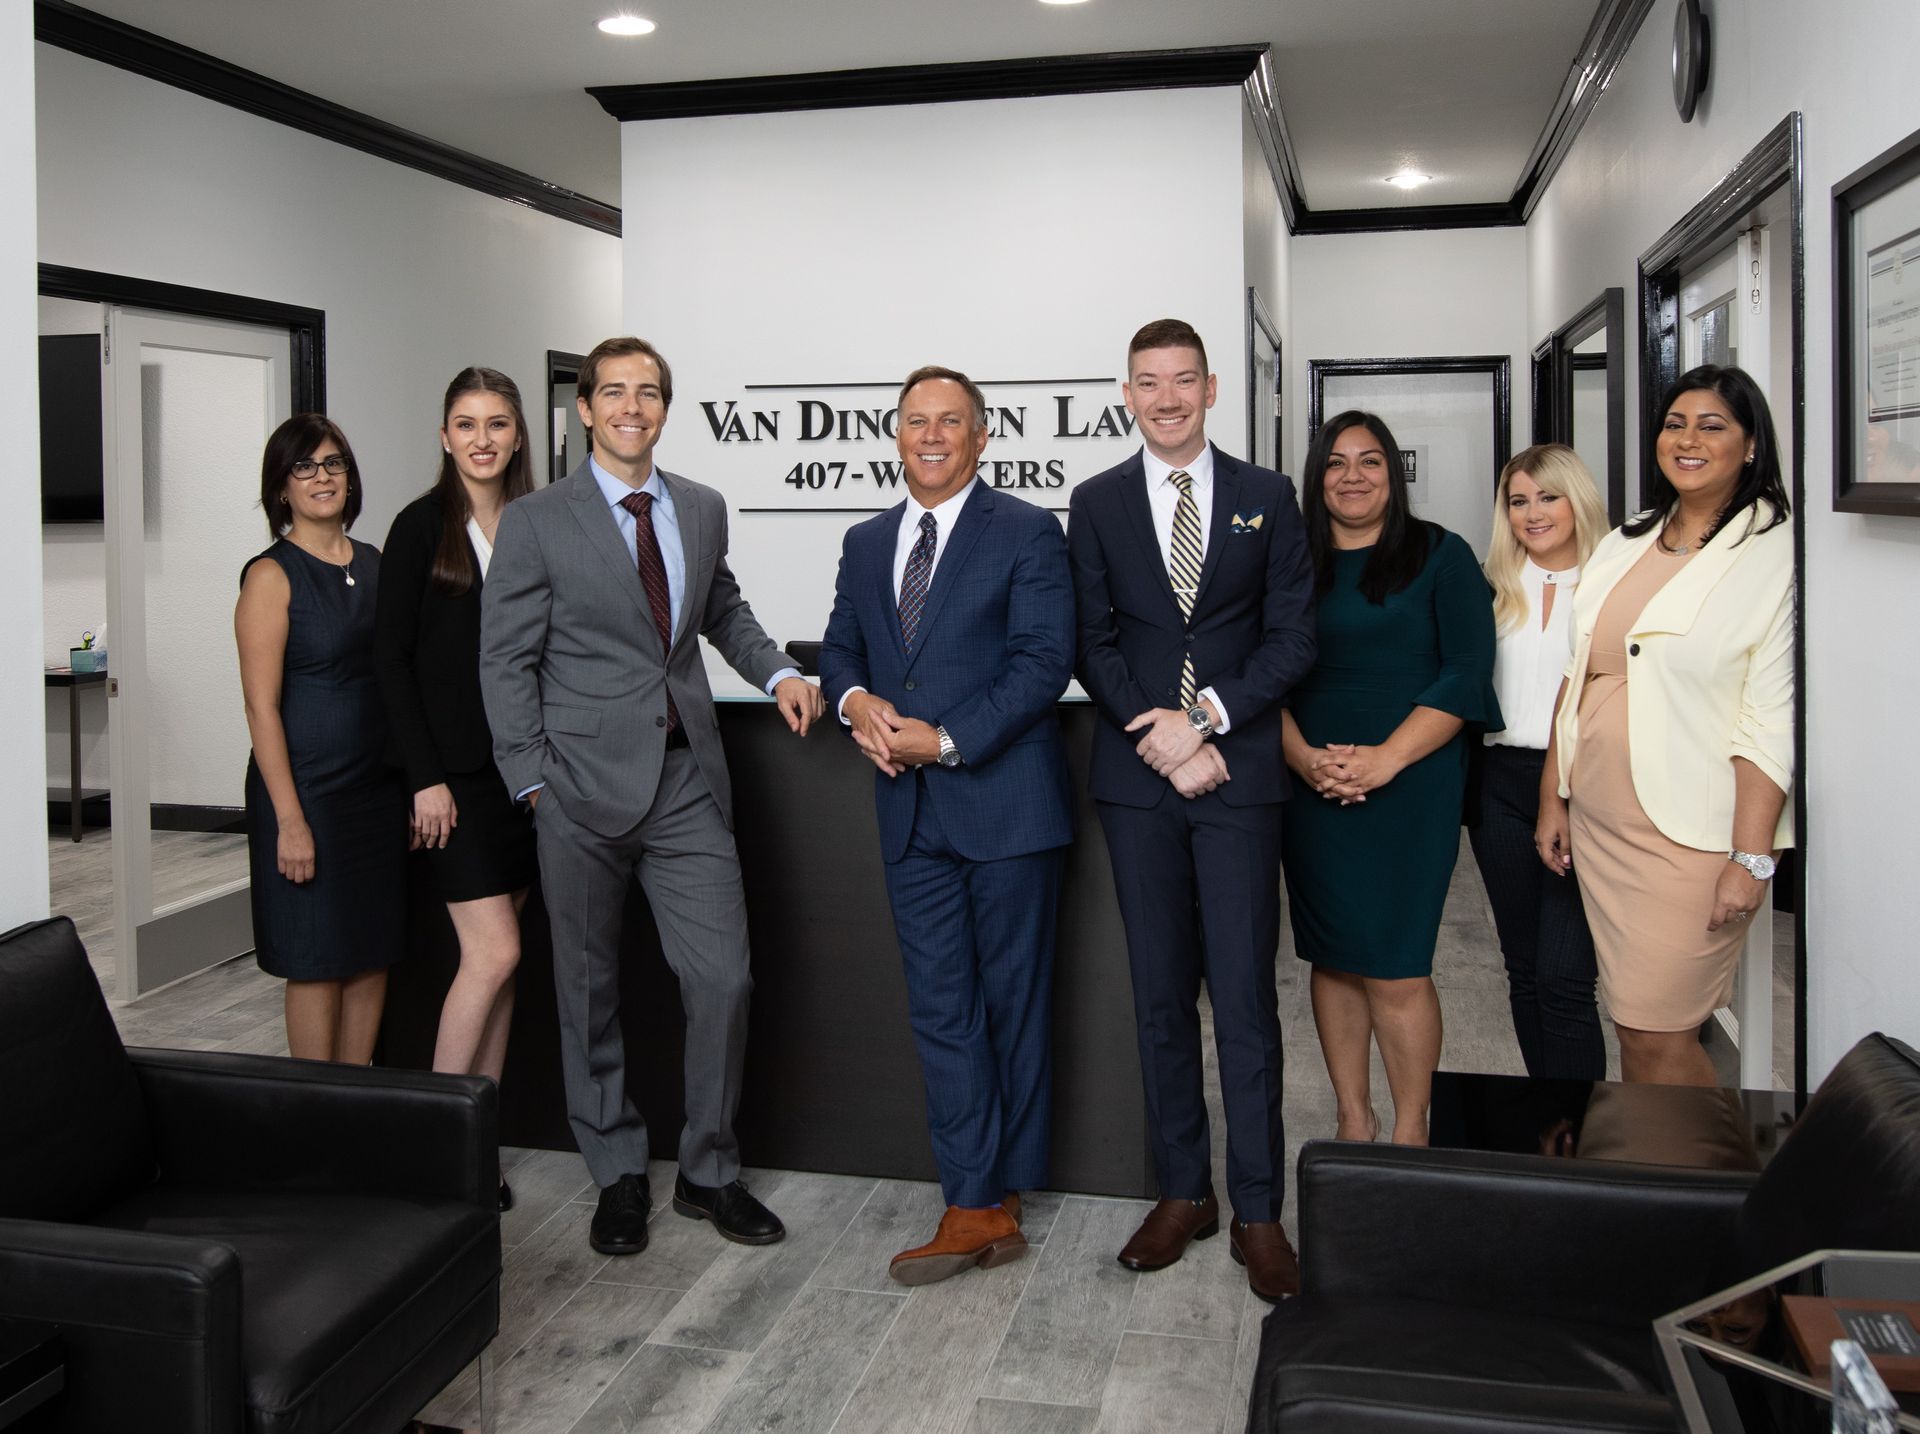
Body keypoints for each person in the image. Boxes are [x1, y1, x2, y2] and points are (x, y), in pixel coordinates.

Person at [478, 335, 825, 1257]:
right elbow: (505, 660)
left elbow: (723, 613)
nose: (633, 406)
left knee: (723, 978)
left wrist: (779, 670)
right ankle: (617, 1172)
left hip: (684, 780)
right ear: (585, 408)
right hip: (577, 791)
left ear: (666, 409)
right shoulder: (538, 520)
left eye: (651, 393)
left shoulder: (702, 509)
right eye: (615, 392)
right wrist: (533, 783)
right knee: (587, 993)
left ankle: (709, 1172)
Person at [1067, 319, 1316, 1303]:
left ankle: (1258, 1209)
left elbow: (1294, 637)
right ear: (1126, 394)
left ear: (1212, 389)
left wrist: (1207, 721)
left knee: (1247, 1002)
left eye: (1183, 382)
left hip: (1240, 779)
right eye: (1147, 384)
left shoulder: (1266, 497)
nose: (1166, 399)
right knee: (1161, 996)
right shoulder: (1094, 503)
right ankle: (1185, 1191)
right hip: (1140, 784)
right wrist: (1158, 735)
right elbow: (1091, 639)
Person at [819, 366, 1075, 1286]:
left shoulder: (1028, 531)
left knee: (1011, 1004)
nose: (931, 435)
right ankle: (972, 1197)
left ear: (981, 436)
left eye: (950, 422)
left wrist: (951, 739)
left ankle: (997, 1194)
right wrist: (857, 707)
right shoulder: (865, 539)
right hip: (907, 811)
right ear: (897, 435)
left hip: (1004, 803)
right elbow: (842, 642)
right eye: (916, 421)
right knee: (941, 1008)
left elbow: (1046, 659)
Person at [1537, 364, 1793, 1088]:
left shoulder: (1774, 555)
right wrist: (1554, 795)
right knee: (1634, 1026)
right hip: (1600, 824)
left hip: (1689, 839)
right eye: (1675, 424)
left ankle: (1721, 1195)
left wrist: (1752, 859)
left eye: (1712, 426)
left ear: (1750, 447)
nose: (1687, 440)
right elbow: (1577, 676)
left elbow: (1769, 719)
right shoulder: (1627, 540)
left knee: (1656, 1036)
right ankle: (1666, 1184)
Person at [1281, 411, 1497, 1147]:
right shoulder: (1290, 563)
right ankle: (1353, 1117)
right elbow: (1256, 674)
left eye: (1370, 461)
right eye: (1336, 463)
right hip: (1310, 785)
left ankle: (1411, 1132)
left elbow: (1466, 672)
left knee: (1397, 967)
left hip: (1411, 786)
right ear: (1317, 477)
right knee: (1334, 958)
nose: (1352, 476)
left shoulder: (1442, 555)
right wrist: (1305, 759)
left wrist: (1385, 759)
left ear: (1393, 474)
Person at [374, 367, 539, 1211]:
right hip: (455, 780)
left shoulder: (539, 522)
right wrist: (423, 779)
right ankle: (434, 1149)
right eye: (466, 423)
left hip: (526, 777)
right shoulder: (416, 528)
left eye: (498, 423)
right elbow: (390, 664)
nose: (482, 438)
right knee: (494, 952)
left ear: (519, 436)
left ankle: (479, 1148)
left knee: (505, 969)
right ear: (445, 436)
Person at [236, 414, 405, 1063]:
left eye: (333, 463)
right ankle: (317, 1116)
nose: (321, 477)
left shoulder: (376, 564)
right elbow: (261, 707)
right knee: (317, 961)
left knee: (370, 952)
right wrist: (290, 820)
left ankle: (357, 1100)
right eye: (303, 467)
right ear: (281, 487)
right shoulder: (271, 576)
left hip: (375, 791)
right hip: (307, 795)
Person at [1468, 444, 1608, 1080]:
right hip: (1499, 786)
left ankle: (1583, 1150)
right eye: (1518, 501)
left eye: (1547, 497)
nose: (1532, 513)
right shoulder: (1488, 586)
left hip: (1583, 790)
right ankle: (1547, 1139)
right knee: (1522, 970)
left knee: (1566, 977)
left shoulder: (1614, 584)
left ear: (1577, 499)